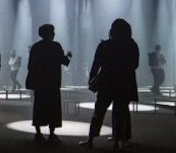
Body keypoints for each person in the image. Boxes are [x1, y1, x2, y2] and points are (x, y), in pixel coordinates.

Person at [79, 19, 139, 150]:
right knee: (121, 113)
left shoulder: (105, 45)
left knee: (99, 111)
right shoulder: (132, 45)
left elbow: (96, 64)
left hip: (107, 83)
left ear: (112, 30)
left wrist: (92, 79)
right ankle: (118, 142)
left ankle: (90, 140)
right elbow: (135, 65)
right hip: (124, 83)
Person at [25, 24, 72, 143]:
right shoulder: (56, 46)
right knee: (53, 107)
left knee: (39, 106)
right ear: (50, 33)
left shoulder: (36, 47)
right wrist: (69, 56)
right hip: (53, 82)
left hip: (40, 82)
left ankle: (38, 132)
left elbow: (30, 65)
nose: (54, 33)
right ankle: (51, 133)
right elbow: (65, 61)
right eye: (53, 31)